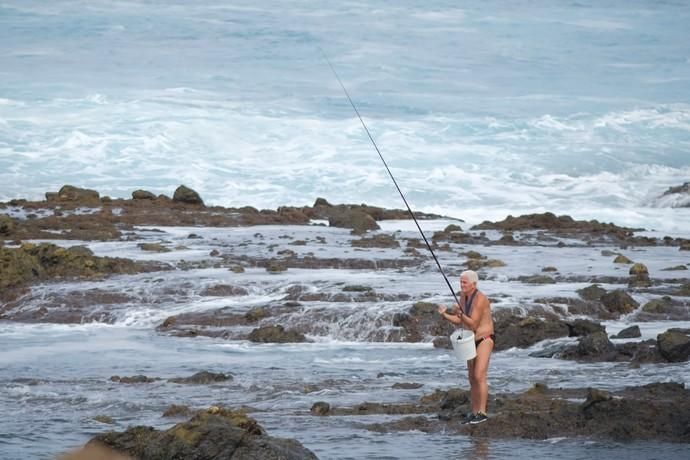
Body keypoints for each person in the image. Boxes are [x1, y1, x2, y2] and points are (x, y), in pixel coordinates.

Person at [438, 270, 494, 424]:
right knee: (471, 378)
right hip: (470, 340)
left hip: (484, 339)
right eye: (460, 282)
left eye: (464, 282)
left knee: (479, 375)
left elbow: (474, 323)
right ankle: (474, 412)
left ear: (474, 284)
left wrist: (460, 314)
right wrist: (445, 315)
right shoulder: (463, 296)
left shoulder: (480, 299)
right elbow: (459, 320)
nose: (461, 285)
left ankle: (482, 413)